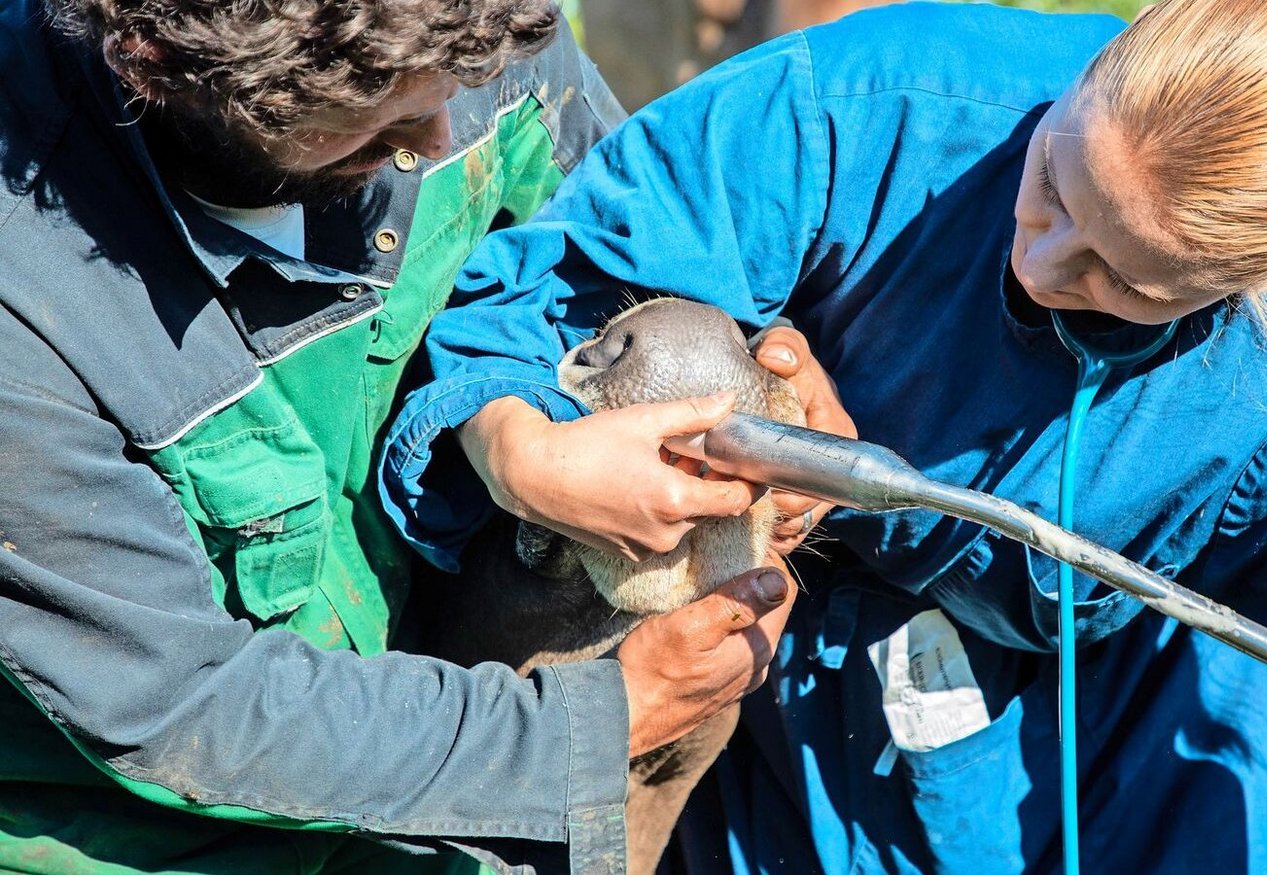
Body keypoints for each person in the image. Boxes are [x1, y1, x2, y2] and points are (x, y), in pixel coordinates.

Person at [381, 1, 1267, 872]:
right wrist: (524, 452)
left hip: (1080, 745)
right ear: (1094, 64)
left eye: (1123, 280)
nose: (1044, 265)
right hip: (773, 680)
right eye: (1050, 181)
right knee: (670, 350)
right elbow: (544, 293)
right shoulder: (869, 99)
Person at [0, 1, 800, 872]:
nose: (442, 132)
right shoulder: (27, 304)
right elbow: (187, 708)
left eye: (469, 80)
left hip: (471, 708)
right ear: (157, 66)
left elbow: (624, 247)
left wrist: (773, 381)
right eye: (382, 122)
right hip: (184, 832)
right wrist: (611, 717)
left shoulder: (458, 25)